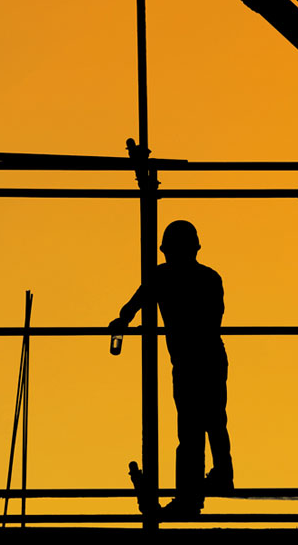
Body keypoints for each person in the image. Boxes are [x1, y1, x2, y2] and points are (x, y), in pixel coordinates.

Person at [110, 220, 234, 518]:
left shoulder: (163, 276)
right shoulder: (207, 278)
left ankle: (191, 496)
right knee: (213, 421)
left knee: (192, 428)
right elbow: (213, 318)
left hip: (191, 361)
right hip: (208, 357)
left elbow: (135, 303)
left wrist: (122, 321)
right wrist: (123, 319)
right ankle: (218, 477)